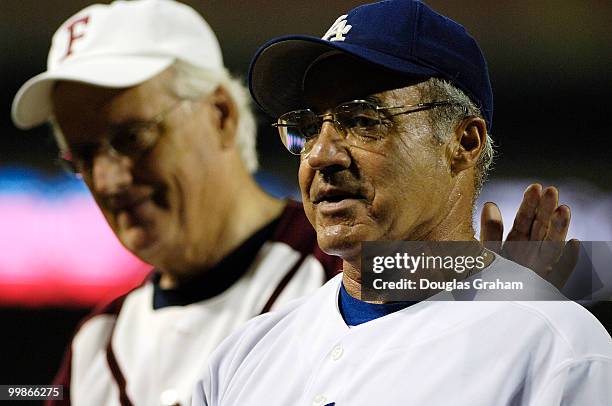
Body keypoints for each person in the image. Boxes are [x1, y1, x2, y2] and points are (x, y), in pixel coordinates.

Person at [10, 1, 576, 405]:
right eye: (82, 156)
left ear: (221, 116)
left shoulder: (360, 259)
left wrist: (502, 293)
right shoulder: (95, 344)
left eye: (133, 138)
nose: (108, 178)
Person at [193, 1, 612, 404]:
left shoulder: (558, 351)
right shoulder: (241, 358)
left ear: (463, 142)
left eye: (361, 120)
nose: (320, 154)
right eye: (305, 127)